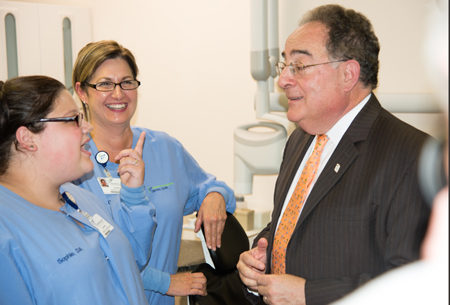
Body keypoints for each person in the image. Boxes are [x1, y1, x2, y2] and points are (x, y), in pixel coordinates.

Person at [237, 4, 431, 305]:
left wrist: (308, 295)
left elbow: (413, 283)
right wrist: (260, 256)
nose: (283, 80)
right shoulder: (300, 141)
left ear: (348, 75)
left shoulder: (412, 155)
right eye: (284, 66)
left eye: (299, 66)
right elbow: (293, 224)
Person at [71, 40, 236, 304]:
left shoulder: (164, 149)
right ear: (81, 91)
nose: (118, 93)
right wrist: (164, 281)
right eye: (104, 84)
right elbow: (83, 257)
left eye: (127, 82)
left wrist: (215, 196)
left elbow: (211, 187)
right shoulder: (72, 161)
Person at [0, 75, 157, 305]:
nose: (88, 127)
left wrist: (133, 196)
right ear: (27, 138)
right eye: (74, 119)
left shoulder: (81, 198)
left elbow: (134, 260)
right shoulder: (6, 234)